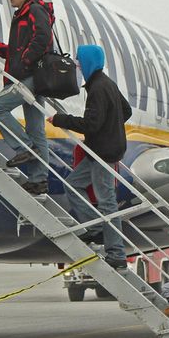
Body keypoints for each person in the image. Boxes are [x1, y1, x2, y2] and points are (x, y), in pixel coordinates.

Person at [48, 44, 132, 267]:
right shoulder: (107, 83)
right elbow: (126, 110)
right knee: (73, 184)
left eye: (79, 60)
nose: (77, 64)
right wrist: (111, 128)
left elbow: (91, 125)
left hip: (103, 153)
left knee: (107, 202)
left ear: (88, 62)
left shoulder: (97, 88)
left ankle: (117, 254)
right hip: (99, 151)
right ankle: (95, 228)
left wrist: (60, 119)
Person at [0, 0, 52, 194]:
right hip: (32, 77)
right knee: (36, 130)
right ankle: (38, 180)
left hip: (30, 76)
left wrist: (26, 61)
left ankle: (24, 148)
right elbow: (14, 52)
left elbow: (43, 37)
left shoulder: (34, 10)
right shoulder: (23, 14)